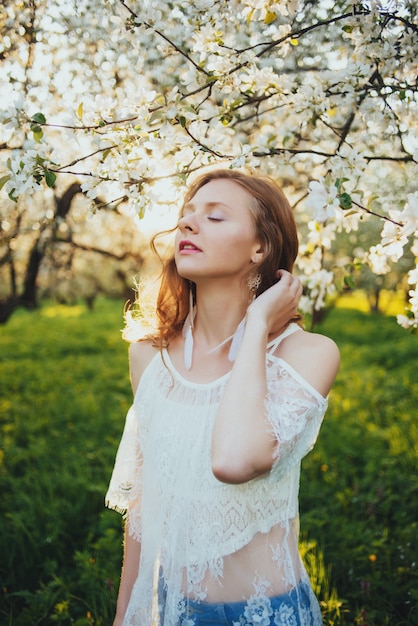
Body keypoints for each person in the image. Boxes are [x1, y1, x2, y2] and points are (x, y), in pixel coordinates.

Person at [105, 168, 340, 626]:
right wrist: (124, 613)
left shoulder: (307, 354)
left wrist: (255, 327)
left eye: (215, 217)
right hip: (172, 608)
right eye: (187, 215)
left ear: (260, 247)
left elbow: (233, 461)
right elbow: (145, 504)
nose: (188, 225)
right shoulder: (148, 358)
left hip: (266, 612)